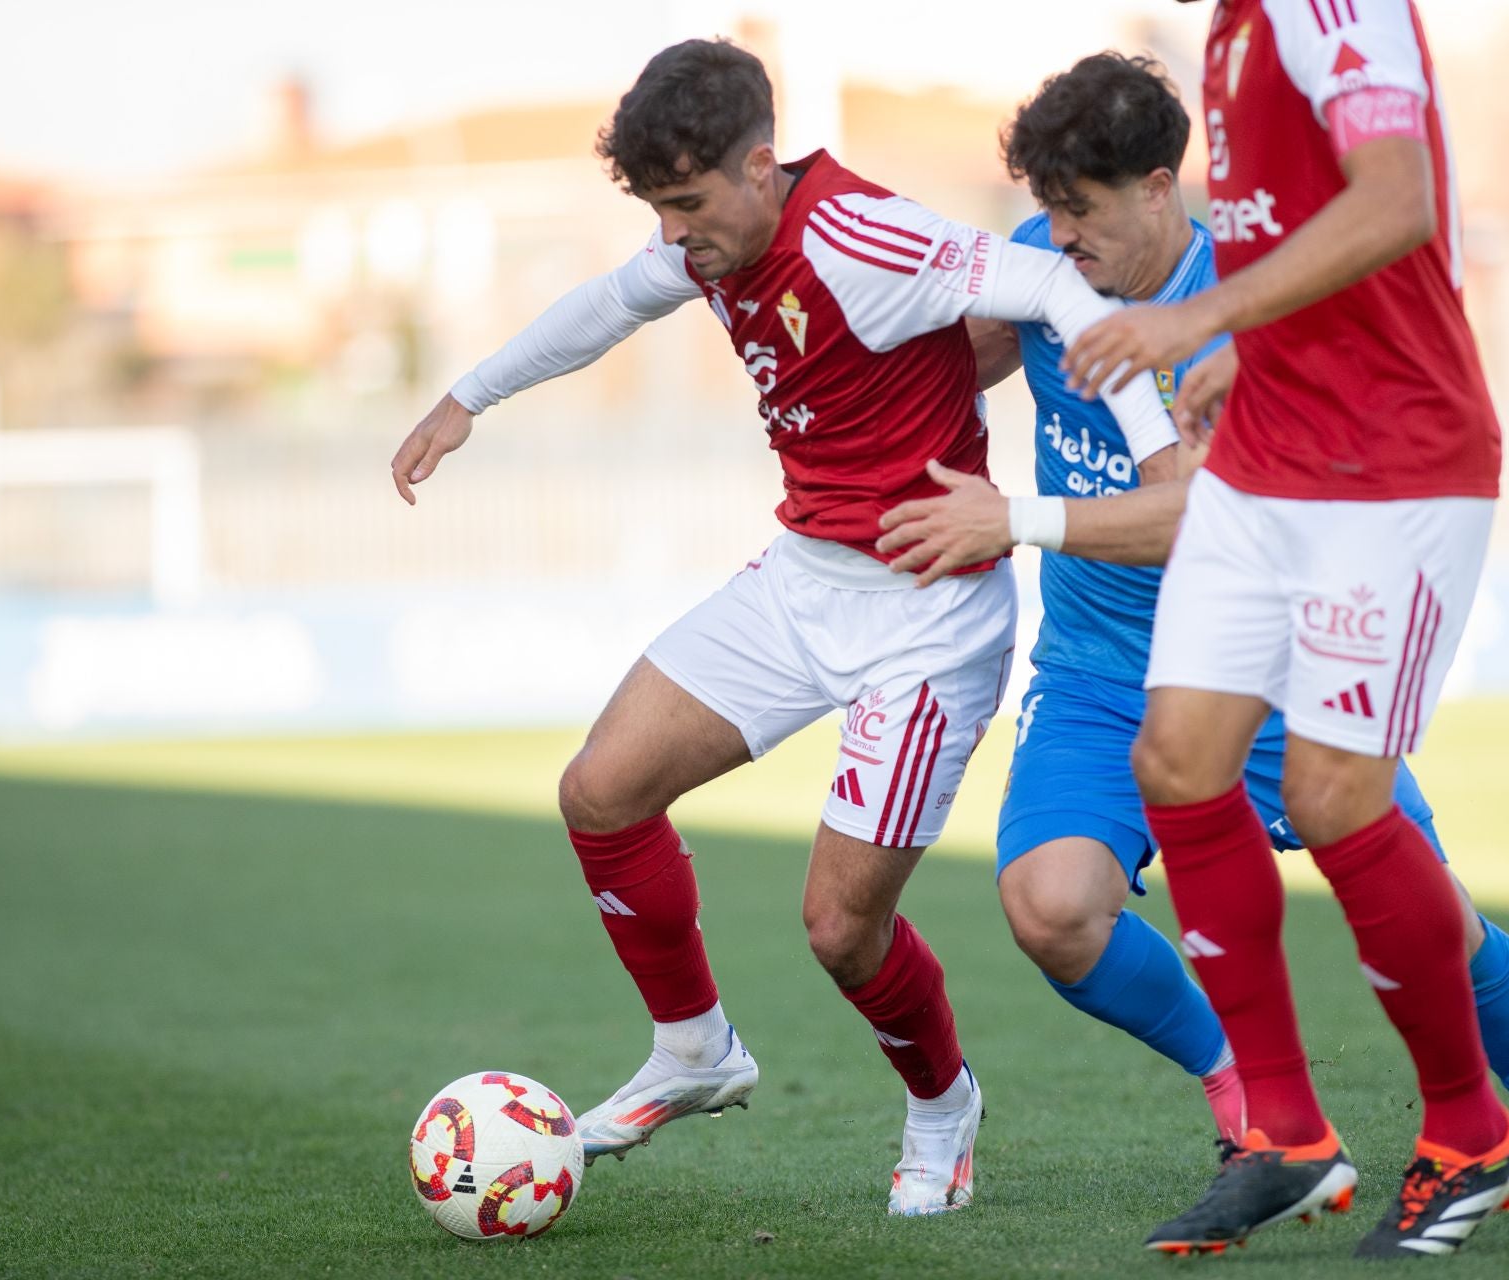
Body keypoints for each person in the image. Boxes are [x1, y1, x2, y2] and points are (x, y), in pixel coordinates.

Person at [388, 37, 1183, 1216]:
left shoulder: (866, 237)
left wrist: (1158, 445)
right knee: (599, 790)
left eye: (690, 203)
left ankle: (941, 1102)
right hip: (803, 578)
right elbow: (608, 306)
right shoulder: (708, 242)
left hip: (927, 615)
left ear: (761, 166)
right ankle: (696, 1046)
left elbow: (1054, 289)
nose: (674, 233)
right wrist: (468, 398)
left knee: (838, 928)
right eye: (659, 208)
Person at [875, 49, 1509, 1218]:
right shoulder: (1044, 266)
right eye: (1045, 211)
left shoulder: (1251, 295)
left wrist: (1016, 518)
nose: (1060, 237)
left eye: (1080, 210)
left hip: (1269, 665)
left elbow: (1202, 512)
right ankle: (1253, 1097)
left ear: (1161, 184)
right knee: (1051, 902)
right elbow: (940, 362)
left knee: (1435, 918)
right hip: (1098, 674)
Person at [1030, 0, 1509, 1257]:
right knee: (1176, 759)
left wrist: (1203, 319)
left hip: (1395, 464)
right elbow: (1300, 227)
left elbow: (1397, 200)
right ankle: (1284, 1133)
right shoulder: (1227, 35)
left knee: (1337, 798)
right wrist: (1259, 346)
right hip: (1270, 459)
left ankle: (1472, 1134)